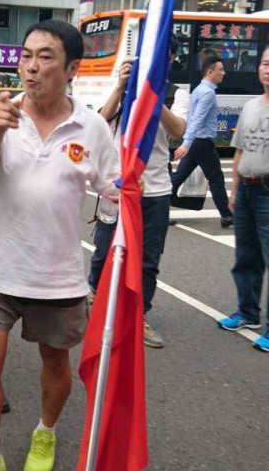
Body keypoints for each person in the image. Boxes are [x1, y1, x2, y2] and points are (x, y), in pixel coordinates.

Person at [0, 19, 118, 471]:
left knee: (56, 365)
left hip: (58, 275)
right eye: (27, 55)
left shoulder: (92, 127)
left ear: (71, 68)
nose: (31, 66)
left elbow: (115, 190)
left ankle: (45, 433)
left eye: (45, 56)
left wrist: (122, 243)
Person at [88, 49, 187, 349]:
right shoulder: (122, 85)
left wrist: (154, 94)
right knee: (105, 250)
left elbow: (178, 130)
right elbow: (101, 120)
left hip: (155, 190)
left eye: (164, 55)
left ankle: (138, 315)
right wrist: (121, 87)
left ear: (169, 60)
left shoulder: (175, 93)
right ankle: (96, 296)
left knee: (148, 259)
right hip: (118, 187)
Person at [217, 44, 269, 351]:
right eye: (264, 63)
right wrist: (234, 190)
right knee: (246, 258)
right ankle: (248, 313)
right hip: (248, 191)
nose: (267, 69)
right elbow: (238, 150)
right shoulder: (250, 106)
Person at [171, 55, 232, 228]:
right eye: (220, 69)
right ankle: (227, 215)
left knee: (178, 177)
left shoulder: (199, 89)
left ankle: (157, 208)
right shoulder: (208, 93)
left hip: (196, 142)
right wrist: (187, 143)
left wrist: (187, 143)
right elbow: (197, 119)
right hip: (202, 142)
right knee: (216, 178)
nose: (223, 73)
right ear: (210, 72)